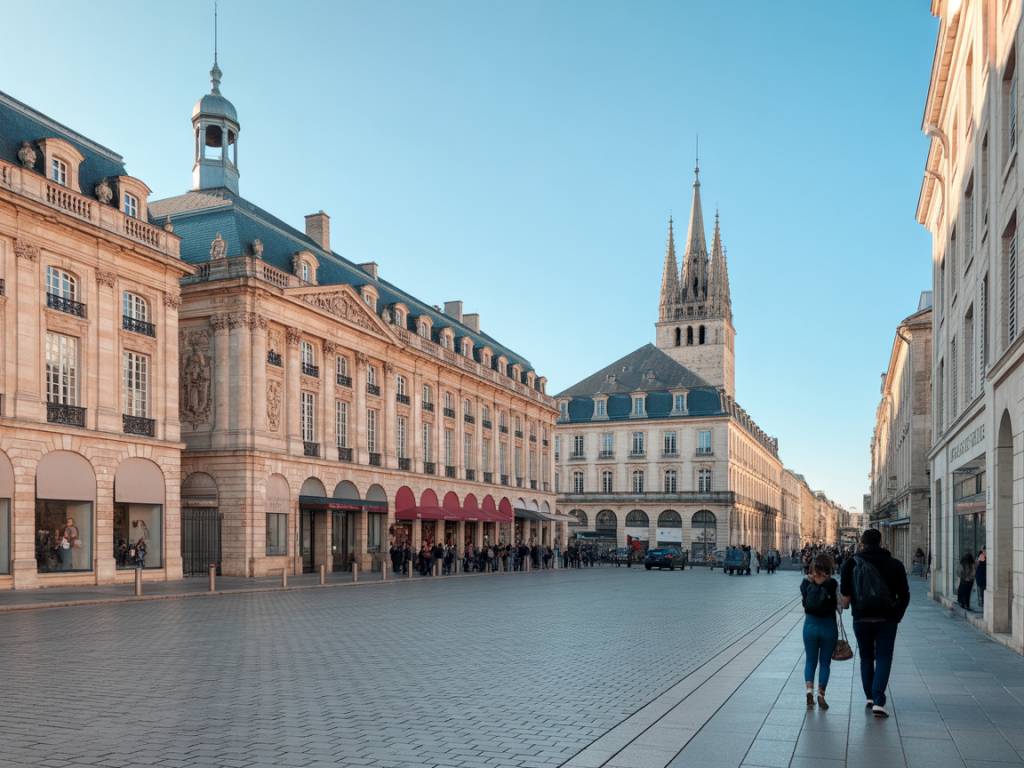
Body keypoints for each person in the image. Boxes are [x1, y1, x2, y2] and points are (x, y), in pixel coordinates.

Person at [840, 529, 910, 718]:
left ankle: (870, 697)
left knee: (866, 657)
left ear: (861, 543)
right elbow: (905, 595)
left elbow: (845, 602)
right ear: (881, 542)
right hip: (887, 619)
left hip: (861, 619)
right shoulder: (895, 564)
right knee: (884, 657)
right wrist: (897, 615)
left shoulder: (850, 564)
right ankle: (879, 700)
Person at [801, 553, 839, 710]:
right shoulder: (833, 584)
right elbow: (840, 607)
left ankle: (809, 690)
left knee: (810, 660)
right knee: (825, 662)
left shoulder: (805, 583)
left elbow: (805, 602)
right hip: (828, 626)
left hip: (810, 625)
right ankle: (821, 694)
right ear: (829, 568)